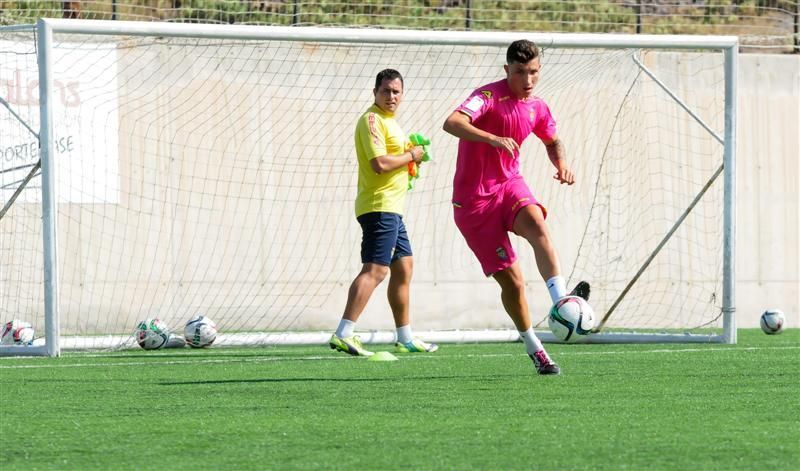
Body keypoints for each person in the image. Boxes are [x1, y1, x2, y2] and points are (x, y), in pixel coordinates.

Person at [442, 40, 590, 375]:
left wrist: (562, 163)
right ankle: (534, 347)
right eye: (520, 72)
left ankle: (561, 300)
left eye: (534, 72)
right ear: (506, 69)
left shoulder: (537, 106)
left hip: (509, 185)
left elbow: (553, 140)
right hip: (474, 202)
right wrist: (491, 138)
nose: (528, 79)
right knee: (514, 284)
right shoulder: (489, 97)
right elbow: (451, 123)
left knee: (537, 223)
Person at [329, 69, 439, 357]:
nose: (391, 96)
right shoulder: (371, 120)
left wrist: (411, 163)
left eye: (396, 91)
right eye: (386, 91)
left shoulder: (392, 122)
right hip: (379, 206)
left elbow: (397, 162)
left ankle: (405, 337)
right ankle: (344, 333)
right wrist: (411, 156)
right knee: (376, 270)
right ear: (374, 92)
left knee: (404, 267)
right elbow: (379, 163)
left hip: (393, 208)